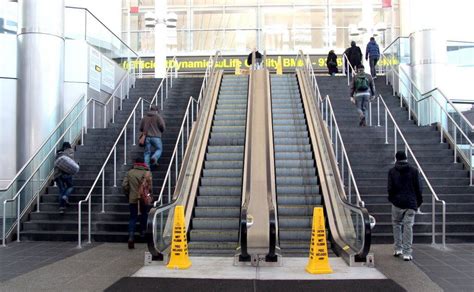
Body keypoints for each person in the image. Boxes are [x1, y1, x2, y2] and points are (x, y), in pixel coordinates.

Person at [387, 151, 423, 261]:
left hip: (397, 203)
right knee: (408, 227)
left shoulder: (392, 171)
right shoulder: (414, 171)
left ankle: (398, 249)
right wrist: (417, 202)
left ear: (396, 159)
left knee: (397, 225)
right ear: (406, 158)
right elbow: (419, 188)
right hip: (410, 203)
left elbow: (390, 188)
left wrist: (392, 199)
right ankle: (407, 253)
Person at [122, 157, 153, 249]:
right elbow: (150, 187)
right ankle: (143, 232)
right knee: (144, 215)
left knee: (133, 217)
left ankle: (131, 236)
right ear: (143, 163)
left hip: (133, 199)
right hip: (143, 199)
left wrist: (129, 194)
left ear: (135, 163)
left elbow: (124, 186)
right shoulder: (147, 173)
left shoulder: (130, 172)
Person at [53, 142, 75, 214]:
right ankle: (65, 197)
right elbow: (71, 163)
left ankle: (61, 208)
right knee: (70, 186)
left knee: (61, 190)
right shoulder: (70, 152)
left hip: (57, 174)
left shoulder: (58, 153)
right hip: (66, 173)